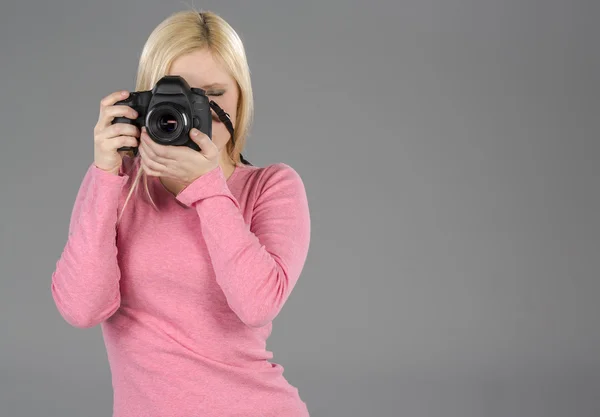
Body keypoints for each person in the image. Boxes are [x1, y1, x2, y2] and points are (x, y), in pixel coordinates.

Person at [50, 9, 311, 417]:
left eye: (213, 94)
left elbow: (257, 304)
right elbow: (82, 308)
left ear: (241, 98)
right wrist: (104, 172)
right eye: (176, 94)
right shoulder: (119, 185)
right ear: (145, 100)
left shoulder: (271, 186)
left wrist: (206, 189)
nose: (191, 111)